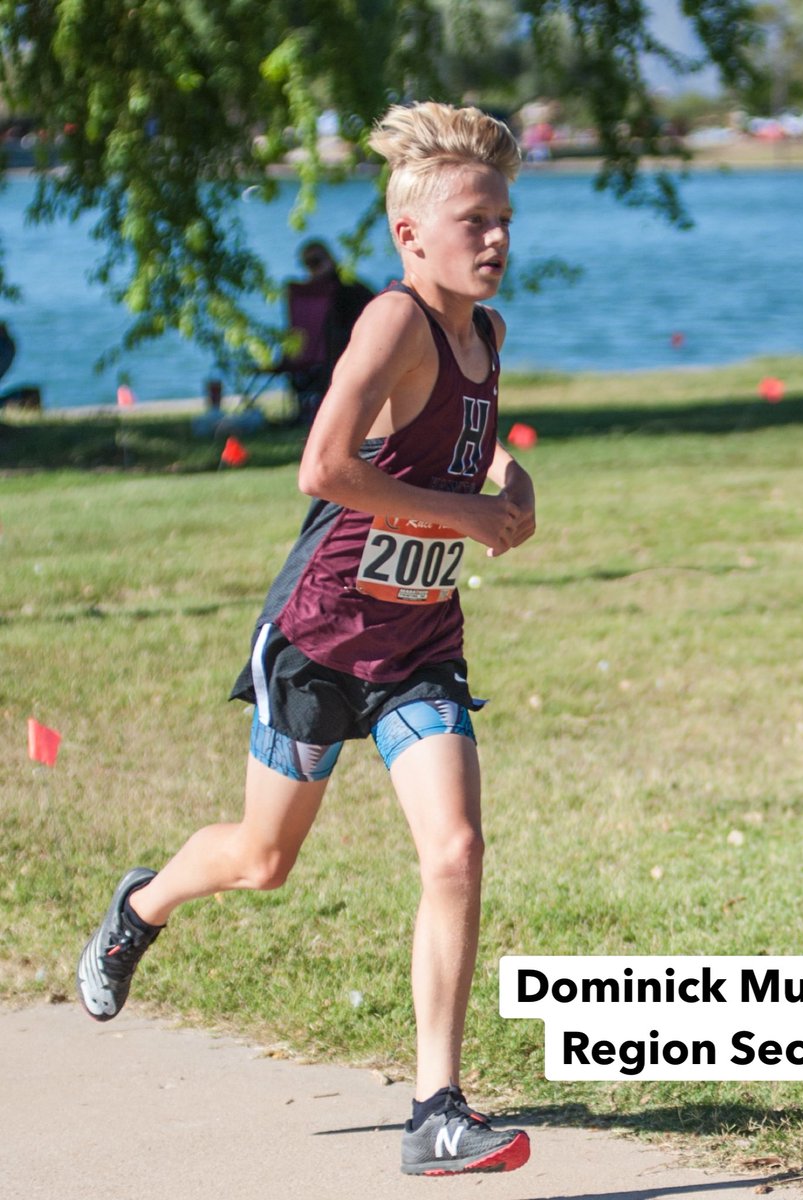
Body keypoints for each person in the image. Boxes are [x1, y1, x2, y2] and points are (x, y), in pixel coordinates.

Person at [77, 101, 536, 1177]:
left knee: (456, 851)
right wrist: (468, 516)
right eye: (475, 221)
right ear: (410, 236)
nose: (497, 239)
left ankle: (435, 1111)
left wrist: (511, 485)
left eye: (505, 220)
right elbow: (323, 468)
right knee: (263, 859)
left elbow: (460, 453)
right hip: (322, 639)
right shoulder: (391, 323)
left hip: (419, 641)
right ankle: (141, 907)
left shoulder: (486, 334)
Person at [287, 239, 376, 425]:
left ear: (329, 259)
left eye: (315, 262)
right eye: (307, 264)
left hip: (328, 354)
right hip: (330, 355)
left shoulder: (344, 290)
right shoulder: (348, 287)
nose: (312, 268)